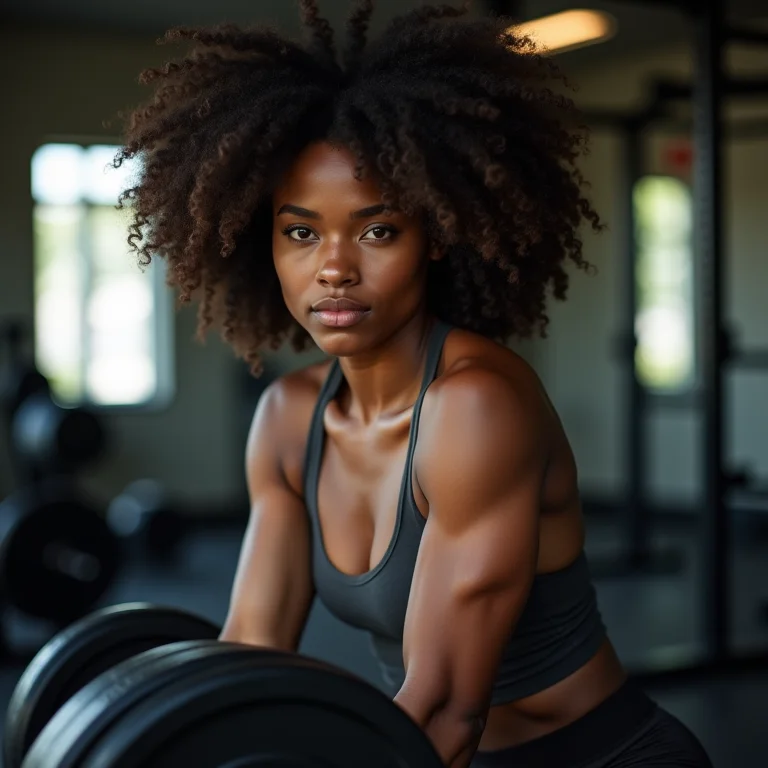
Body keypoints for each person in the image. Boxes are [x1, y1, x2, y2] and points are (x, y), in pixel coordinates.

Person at [115, 2, 714, 766]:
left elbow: (444, 710)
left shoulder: (475, 408)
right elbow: (252, 651)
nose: (335, 267)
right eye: (301, 232)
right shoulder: (288, 420)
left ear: (434, 235)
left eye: (377, 230)